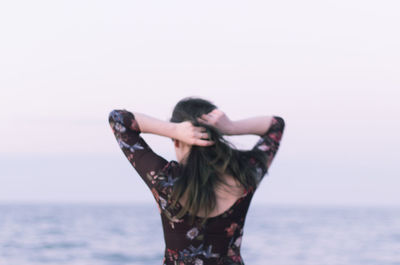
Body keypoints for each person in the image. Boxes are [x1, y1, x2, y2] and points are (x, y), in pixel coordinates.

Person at [108, 97, 285, 265]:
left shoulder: (166, 180)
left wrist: (174, 129)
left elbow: (118, 119)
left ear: (177, 141)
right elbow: (276, 125)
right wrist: (230, 127)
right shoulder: (244, 175)